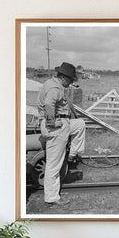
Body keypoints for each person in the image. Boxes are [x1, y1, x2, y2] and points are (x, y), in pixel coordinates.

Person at [37, 62, 86, 206]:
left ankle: (72, 154)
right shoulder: (54, 88)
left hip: (63, 124)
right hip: (56, 127)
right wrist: (52, 122)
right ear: (64, 78)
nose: (71, 83)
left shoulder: (51, 83)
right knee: (54, 165)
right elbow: (49, 104)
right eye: (71, 80)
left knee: (80, 124)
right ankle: (52, 197)